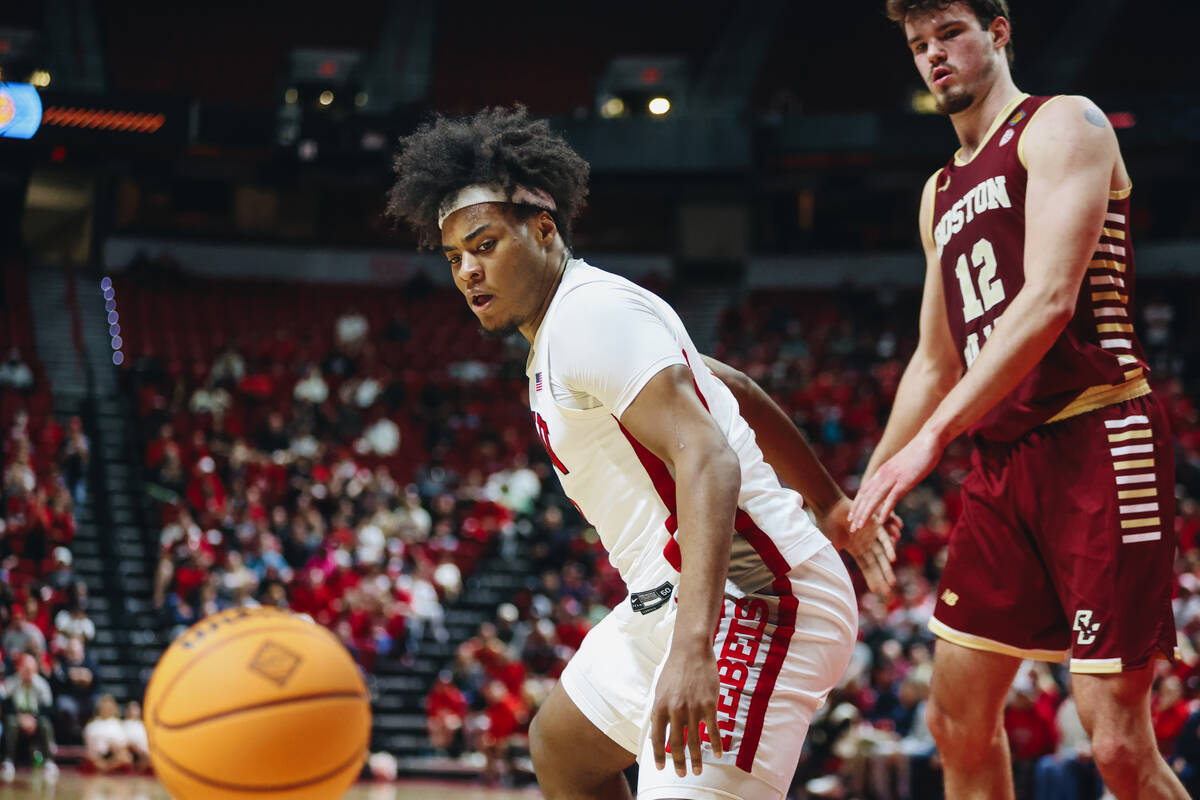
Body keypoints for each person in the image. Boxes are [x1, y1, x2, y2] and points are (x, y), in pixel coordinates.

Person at [388, 107, 897, 800]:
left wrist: (693, 648)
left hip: (757, 600)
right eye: (455, 258)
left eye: (485, 245)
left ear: (543, 230)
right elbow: (733, 386)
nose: (469, 272)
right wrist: (832, 503)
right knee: (562, 749)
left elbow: (710, 458)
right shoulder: (570, 323)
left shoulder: (589, 316)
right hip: (673, 600)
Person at [849, 2, 1184, 798]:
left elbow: (1049, 300)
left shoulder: (1064, 123)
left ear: (998, 31)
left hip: (1099, 436)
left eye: (951, 34)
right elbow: (934, 360)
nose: (934, 55)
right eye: (919, 44)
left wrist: (931, 441)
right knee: (955, 721)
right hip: (1004, 464)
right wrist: (870, 487)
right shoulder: (939, 191)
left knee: (1115, 743)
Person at [2, 654, 57, 781]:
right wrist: (20, 718)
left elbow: (48, 708)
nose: (28, 673)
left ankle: (49, 762)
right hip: (17, 718)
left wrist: (33, 720)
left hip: (35, 719)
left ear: (35, 670)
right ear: (19, 668)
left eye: (31, 669)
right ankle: (7, 761)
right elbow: (5, 705)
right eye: (25, 669)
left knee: (45, 724)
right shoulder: (11, 682)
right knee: (10, 722)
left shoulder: (42, 684)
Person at [82, 694, 132, 774]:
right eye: (104, 707)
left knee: (125, 756)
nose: (106, 710)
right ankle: (104, 768)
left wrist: (114, 746)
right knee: (89, 755)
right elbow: (89, 743)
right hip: (98, 754)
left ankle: (105, 769)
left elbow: (124, 744)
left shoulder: (119, 724)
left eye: (108, 708)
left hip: (114, 755)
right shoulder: (92, 725)